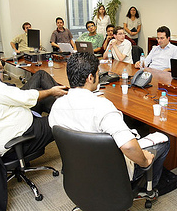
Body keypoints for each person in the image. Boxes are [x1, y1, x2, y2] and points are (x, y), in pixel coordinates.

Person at [48, 52, 169, 188]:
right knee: (163, 140)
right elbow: (128, 146)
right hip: (113, 172)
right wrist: (145, 161)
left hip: (78, 168)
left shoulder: (57, 106)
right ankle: (150, 188)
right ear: (90, 77)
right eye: (98, 75)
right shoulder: (102, 106)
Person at [0, 40, 62, 114]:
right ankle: (65, 101)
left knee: (41, 91)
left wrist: (1, 69)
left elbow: (0, 82)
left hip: (12, 91)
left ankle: (63, 102)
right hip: (14, 97)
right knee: (41, 74)